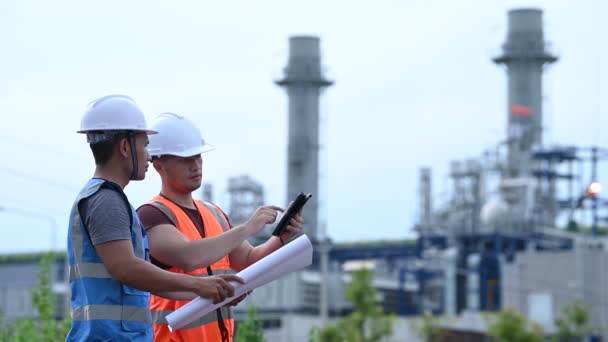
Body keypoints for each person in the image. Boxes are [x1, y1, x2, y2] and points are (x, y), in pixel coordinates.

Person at [67, 95, 244, 342]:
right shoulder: (106, 200)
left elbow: (147, 281)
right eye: (145, 145)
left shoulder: (110, 199)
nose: (149, 156)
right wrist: (197, 285)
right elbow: (126, 268)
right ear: (125, 148)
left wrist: (212, 290)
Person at [137, 112, 304, 342]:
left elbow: (248, 260)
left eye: (198, 157)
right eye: (185, 159)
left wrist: (281, 238)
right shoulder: (151, 215)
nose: (195, 165)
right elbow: (189, 256)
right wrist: (247, 228)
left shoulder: (214, 213)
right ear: (158, 165)